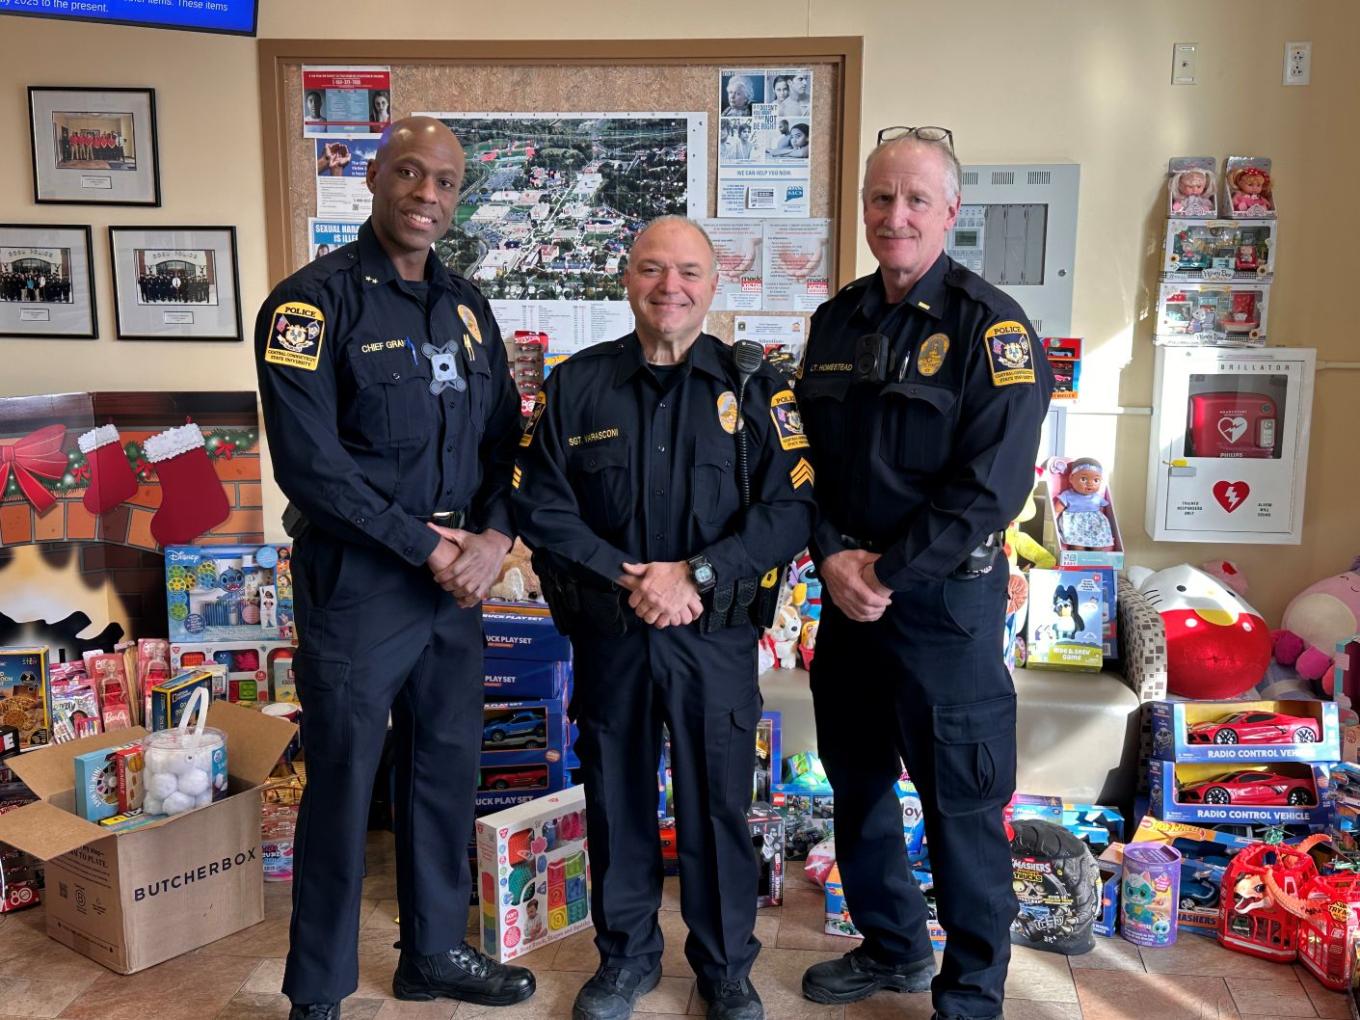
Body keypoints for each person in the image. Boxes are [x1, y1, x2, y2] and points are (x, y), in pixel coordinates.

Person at [254, 116, 534, 1020]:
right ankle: (319, 988)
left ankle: (434, 953)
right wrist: (429, 547)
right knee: (344, 780)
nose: (427, 195)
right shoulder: (310, 304)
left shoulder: (468, 307)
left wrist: (491, 539)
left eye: (446, 182)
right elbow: (311, 467)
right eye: (410, 173)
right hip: (359, 581)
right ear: (374, 177)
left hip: (457, 583)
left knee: (444, 767)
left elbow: (506, 442)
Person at [512, 216, 816, 1020]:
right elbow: (540, 504)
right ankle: (625, 960)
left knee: (717, 804)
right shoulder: (578, 385)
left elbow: (791, 511)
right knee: (616, 798)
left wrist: (696, 575)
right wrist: (629, 576)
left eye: (687, 271)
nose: (669, 286)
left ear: (714, 286)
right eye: (651, 269)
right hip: (612, 633)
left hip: (712, 634)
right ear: (627, 279)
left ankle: (725, 968)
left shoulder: (756, 387)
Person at [796, 129, 1053, 1020]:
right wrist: (832, 555)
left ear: (950, 212)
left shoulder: (993, 328)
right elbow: (803, 461)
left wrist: (886, 572)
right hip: (848, 596)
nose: (895, 216)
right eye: (881, 198)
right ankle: (893, 945)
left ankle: (973, 991)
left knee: (962, 804)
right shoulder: (837, 321)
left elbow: (991, 487)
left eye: (915, 200)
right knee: (858, 782)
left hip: (944, 605)